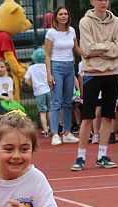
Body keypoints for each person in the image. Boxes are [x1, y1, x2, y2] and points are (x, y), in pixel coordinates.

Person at [70, 0, 118, 171]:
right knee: (87, 118)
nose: (103, 2)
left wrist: (97, 50)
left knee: (108, 116)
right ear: (91, 1)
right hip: (92, 74)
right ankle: (80, 157)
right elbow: (87, 47)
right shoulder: (85, 21)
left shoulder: (117, 22)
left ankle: (102, 155)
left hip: (112, 74)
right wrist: (109, 48)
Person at [45, 6, 80, 146]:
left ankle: (67, 133)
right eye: (61, 14)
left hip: (69, 67)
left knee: (68, 102)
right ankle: (55, 134)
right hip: (56, 67)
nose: (64, 16)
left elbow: (76, 49)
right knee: (56, 101)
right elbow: (47, 54)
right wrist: (49, 74)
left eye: (66, 14)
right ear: (56, 17)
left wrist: (89, 53)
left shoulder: (71, 31)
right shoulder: (51, 33)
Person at [25, 47, 51, 136]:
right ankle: (51, 128)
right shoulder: (47, 66)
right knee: (50, 110)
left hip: (39, 92)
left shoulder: (31, 68)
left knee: (42, 112)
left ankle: (45, 130)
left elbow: (26, 80)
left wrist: (34, 85)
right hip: (49, 90)